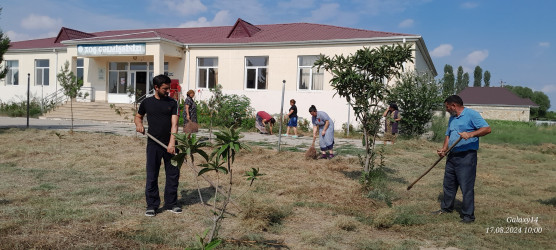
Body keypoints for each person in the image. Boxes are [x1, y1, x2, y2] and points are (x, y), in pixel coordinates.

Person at [432, 95, 491, 223]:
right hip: (452, 155)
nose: (446, 110)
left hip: (466, 157)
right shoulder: (452, 118)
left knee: (466, 187)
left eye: (447, 107)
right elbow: (448, 134)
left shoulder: (471, 115)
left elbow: (487, 129)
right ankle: (446, 208)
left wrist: (471, 134)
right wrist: (444, 149)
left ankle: (468, 216)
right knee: (448, 185)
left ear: (454, 105)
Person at [134, 74, 182, 217]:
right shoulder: (147, 103)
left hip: (170, 144)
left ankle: (171, 203)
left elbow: (175, 124)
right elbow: (138, 116)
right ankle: (152, 205)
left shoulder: (173, 103)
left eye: (169, 88)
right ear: (156, 87)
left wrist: (172, 143)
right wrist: (139, 124)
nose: (168, 91)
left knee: (173, 175)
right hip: (153, 144)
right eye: (165, 88)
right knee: (152, 175)